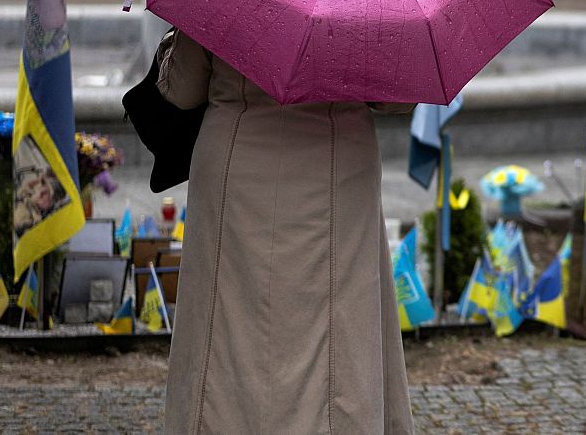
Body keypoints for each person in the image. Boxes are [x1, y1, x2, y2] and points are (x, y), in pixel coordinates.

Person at [156, 28, 415, 433]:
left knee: (224, 335)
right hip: (335, 166)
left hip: (239, 165)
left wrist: (174, 39)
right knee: (339, 342)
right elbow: (397, 96)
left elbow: (182, 89)